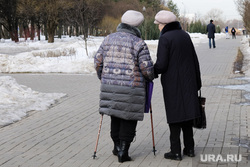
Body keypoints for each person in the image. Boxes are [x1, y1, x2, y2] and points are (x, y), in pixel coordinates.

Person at [94, 10, 154, 163]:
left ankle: (116, 146)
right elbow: (146, 69)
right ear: (137, 26)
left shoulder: (108, 39)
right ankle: (123, 151)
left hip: (110, 86)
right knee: (128, 117)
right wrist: (150, 77)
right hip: (132, 88)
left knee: (115, 115)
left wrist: (104, 76)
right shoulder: (139, 43)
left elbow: (98, 61)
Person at [153, 10, 202, 161]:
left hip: (173, 83)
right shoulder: (185, 35)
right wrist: (197, 82)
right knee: (187, 115)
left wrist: (151, 72)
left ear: (164, 24)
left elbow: (161, 64)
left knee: (174, 116)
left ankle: (175, 151)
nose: (158, 28)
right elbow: (194, 59)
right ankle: (190, 148)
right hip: (189, 81)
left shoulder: (165, 38)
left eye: (159, 25)